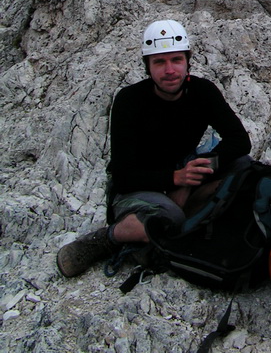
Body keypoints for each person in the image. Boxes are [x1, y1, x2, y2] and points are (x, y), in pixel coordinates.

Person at [57, 19, 252, 277]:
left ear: (187, 62)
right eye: (159, 62)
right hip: (137, 187)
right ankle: (109, 237)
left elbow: (239, 141)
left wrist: (192, 177)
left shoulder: (203, 92)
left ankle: (162, 233)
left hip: (180, 175)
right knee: (170, 216)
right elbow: (124, 176)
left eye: (176, 60)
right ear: (148, 67)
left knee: (244, 165)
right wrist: (174, 178)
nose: (169, 70)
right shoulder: (130, 101)